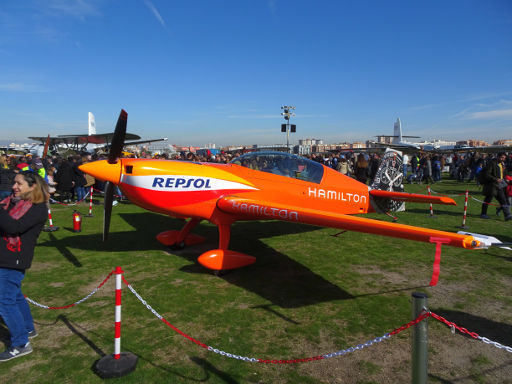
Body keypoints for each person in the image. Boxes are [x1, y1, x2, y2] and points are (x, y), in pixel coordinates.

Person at [0, 171, 49, 362]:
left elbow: (14, 227)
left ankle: (21, 343)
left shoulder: (37, 209)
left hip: (13, 259)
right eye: (14, 183)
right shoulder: (14, 204)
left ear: (32, 186)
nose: (14, 187)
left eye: (19, 184)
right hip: (6, 257)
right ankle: (28, 328)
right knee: (15, 295)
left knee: (4, 301)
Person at [480, 152, 511, 221]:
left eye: (504, 158)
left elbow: (504, 173)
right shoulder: (492, 163)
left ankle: (507, 215)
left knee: (503, 200)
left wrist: (506, 178)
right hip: (491, 186)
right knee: (488, 200)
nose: (503, 159)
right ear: (497, 156)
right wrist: (496, 179)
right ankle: (483, 214)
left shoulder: (502, 164)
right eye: (501, 157)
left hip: (499, 186)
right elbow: (487, 174)